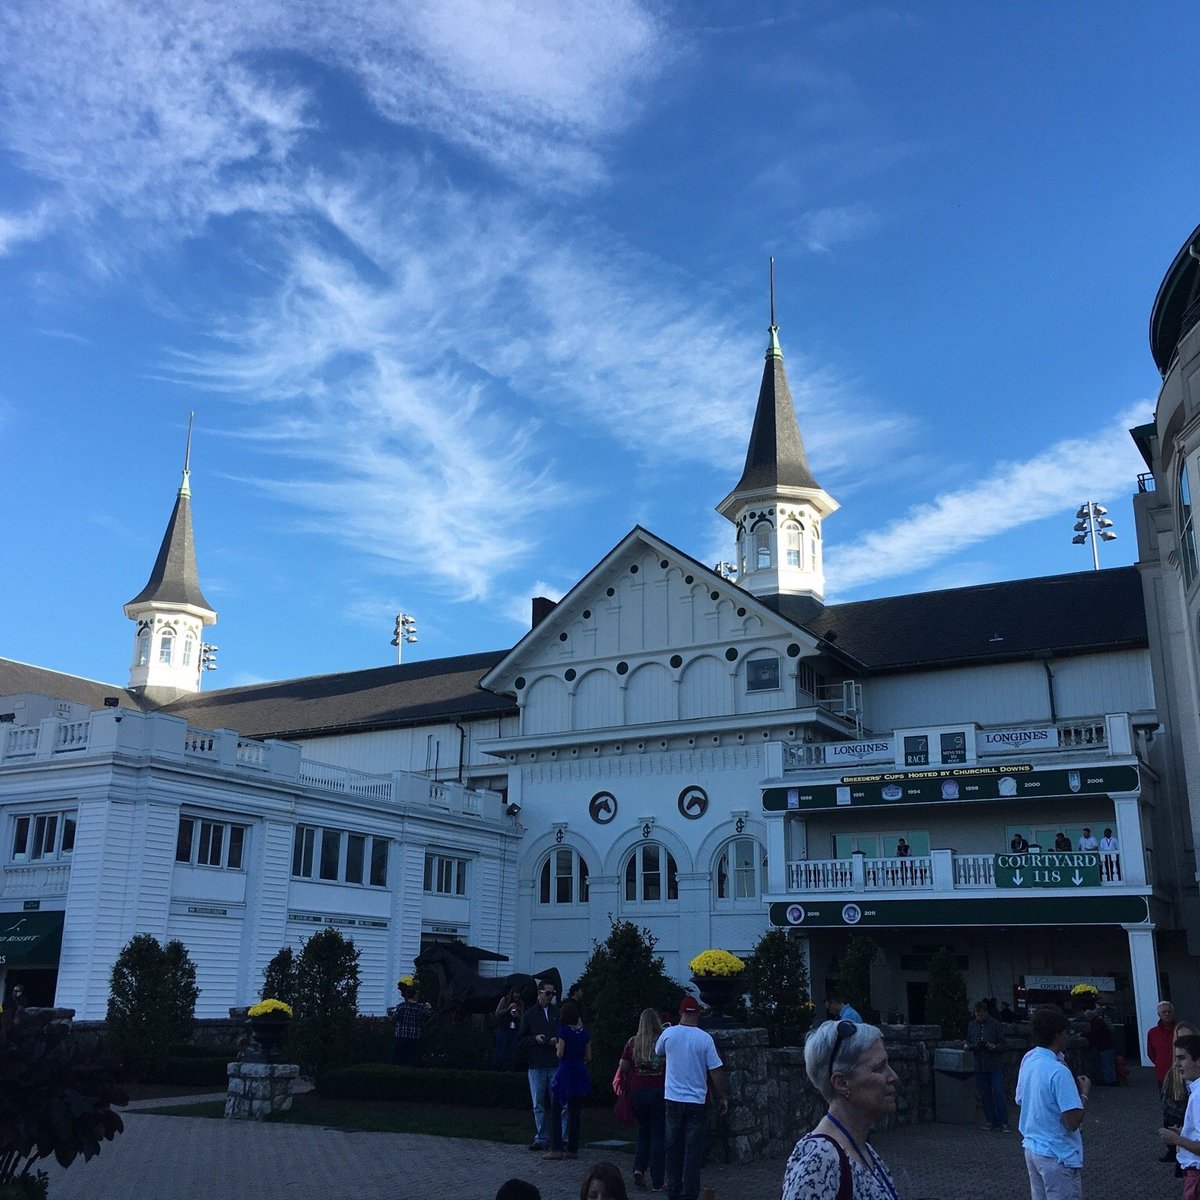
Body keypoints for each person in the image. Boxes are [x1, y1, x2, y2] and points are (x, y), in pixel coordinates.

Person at [780, 1018, 900, 1200]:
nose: (893, 1077)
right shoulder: (820, 1161)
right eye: (878, 1068)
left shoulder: (860, 1148)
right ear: (842, 1083)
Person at [655, 995, 728, 1200]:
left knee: (672, 1148)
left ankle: (673, 1190)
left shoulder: (669, 1034)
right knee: (692, 1151)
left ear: (680, 1013)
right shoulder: (705, 1039)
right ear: (698, 1013)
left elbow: (657, 1051)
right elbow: (716, 1071)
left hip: (672, 1099)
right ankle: (689, 1193)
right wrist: (722, 1096)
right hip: (696, 1102)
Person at [1016, 1005, 1089, 1200]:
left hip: (1033, 1148)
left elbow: (1020, 1099)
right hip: (1057, 1153)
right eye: (1066, 1033)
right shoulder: (1058, 1071)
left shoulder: (1029, 1059)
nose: (1068, 1037)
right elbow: (1072, 1122)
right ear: (1057, 1035)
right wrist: (1084, 1094)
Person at [620, 1007, 667, 1190]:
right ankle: (658, 1180)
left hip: (637, 1092)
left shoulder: (633, 1042)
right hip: (657, 1091)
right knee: (658, 1134)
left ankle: (639, 1168)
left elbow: (623, 1065)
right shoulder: (662, 1041)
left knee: (643, 1130)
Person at [545, 999, 591, 1161]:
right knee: (575, 1112)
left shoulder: (563, 1031)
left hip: (565, 1071)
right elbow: (588, 1056)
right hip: (579, 1070)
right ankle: (573, 1148)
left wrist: (557, 1045)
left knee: (556, 1109)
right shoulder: (583, 1033)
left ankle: (556, 1148)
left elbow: (560, 1053)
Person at [518, 981, 560, 1151]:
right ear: (539, 994)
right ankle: (541, 1137)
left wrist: (557, 1041)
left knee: (558, 1102)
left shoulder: (557, 1013)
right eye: (547, 993)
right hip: (536, 1064)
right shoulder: (529, 1015)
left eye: (552, 994)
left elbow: (564, 1034)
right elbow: (520, 1040)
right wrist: (535, 1039)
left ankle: (559, 1137)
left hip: (554, 1063)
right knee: (538, 1103)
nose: (550, 997)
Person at [1161, 1032, 1200, 1196]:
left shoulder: (1198, 1096)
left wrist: (1175, 1139)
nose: (1176, 1064)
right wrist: (1184, 1132)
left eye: (1182, 1058)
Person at [965, 998, 1009, 1131]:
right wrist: (969, 1046)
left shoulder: (995, 1024)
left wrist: (994, 1047)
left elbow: (1003, 1043)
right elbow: (969, 1040)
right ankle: (991, 1120)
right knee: (985, 1095)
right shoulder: (972, 1025)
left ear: (986, 1012)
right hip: (980, 1064)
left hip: (995, 1064)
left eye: (981, 1015)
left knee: (999, 1093)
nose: (979, 1017)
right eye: (977, 1015)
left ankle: (1004, 1122)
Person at [391, 978, 432, 1066]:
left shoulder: (401, 1006)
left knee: (397, 1058)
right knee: (411, 1058)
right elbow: (428, 1014)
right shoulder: (419, 1007)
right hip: (414, 1036)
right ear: (414, 995)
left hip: (401, 1035)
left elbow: (394, 1018)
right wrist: (429, 1006)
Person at [1083, 1008, 1116, 1086]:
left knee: (1106, 1064)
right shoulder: (1099, 1022)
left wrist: (1084, 1034)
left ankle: (1110, 1082)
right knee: (1109, 1064)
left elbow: (1094, 1033)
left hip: (1104, 1047)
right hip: (1107, 1046)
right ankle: (1112, 1081)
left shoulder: (1097, 1023)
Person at [494, 989, 524, 1071]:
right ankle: (496, 1070)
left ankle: (510, 1070)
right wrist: (508, 1009)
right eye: (515, 993)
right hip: (503, 1028)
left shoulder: (520, 1003)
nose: (517, 996)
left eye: (518, 994)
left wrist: (516, 1015)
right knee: (501, 1050)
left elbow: (522, 1017)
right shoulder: (504, 999)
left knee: (512, 1051)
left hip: (514, 1030)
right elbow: (497, 1013)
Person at [1151, 1002, 1181, 1085]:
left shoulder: (1181, 1030)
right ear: (1159, 1014)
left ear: (1173, 1013)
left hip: (1180, 1071)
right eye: (1164, 1012)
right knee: (1164, 1097)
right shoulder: (1152, 1033)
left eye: (1169, 1011)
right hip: (1163, 1073)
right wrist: (1160, 1062)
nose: (1167, 1014)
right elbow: (1151, 1053)